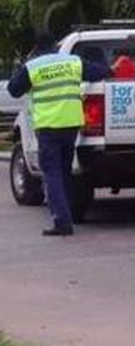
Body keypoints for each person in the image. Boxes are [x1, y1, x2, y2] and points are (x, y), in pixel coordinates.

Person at [8, 32, 109, 236]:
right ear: (55, 46)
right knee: (64, 173)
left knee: (52, 174)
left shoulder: (33, 66)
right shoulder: (72, 62)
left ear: (37, 49)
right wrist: (111, 68)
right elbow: (98, 72)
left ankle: (62, 222)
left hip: (48, 128)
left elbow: (13, 90)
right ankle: (68, 214)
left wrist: (25, 69)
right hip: (71, 125)